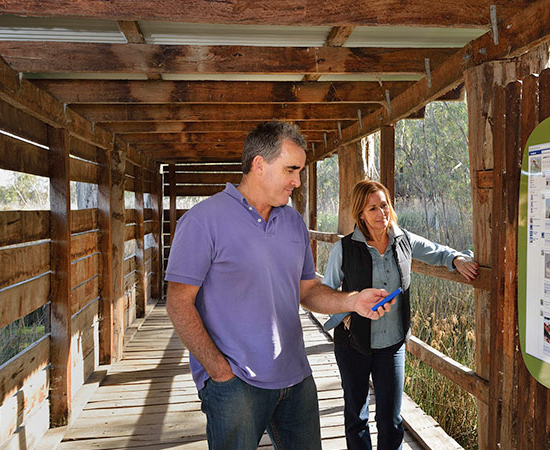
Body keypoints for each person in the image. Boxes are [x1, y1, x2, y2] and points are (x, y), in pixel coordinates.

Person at [164, 122, 394, 450]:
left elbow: (306, 290)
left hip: (296, 378)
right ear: (259, 165)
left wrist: (353, 301)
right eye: (291, 170)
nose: (297, 181)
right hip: (235, 383)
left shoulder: (293, 222)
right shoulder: (203, 221)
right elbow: (178, 303)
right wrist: (217, 370)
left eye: (300, 171)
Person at [322, 180, 479, 450]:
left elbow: (436, 252)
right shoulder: (344, 248)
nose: (381, 213)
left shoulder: (403, 240)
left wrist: (458, 259)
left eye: (384, 205)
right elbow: (325, 292)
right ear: (360, 213)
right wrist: (348, 313)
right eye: (372, 208)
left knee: (391, 419)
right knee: (356, 416)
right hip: (352, 343)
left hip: (392, 345)